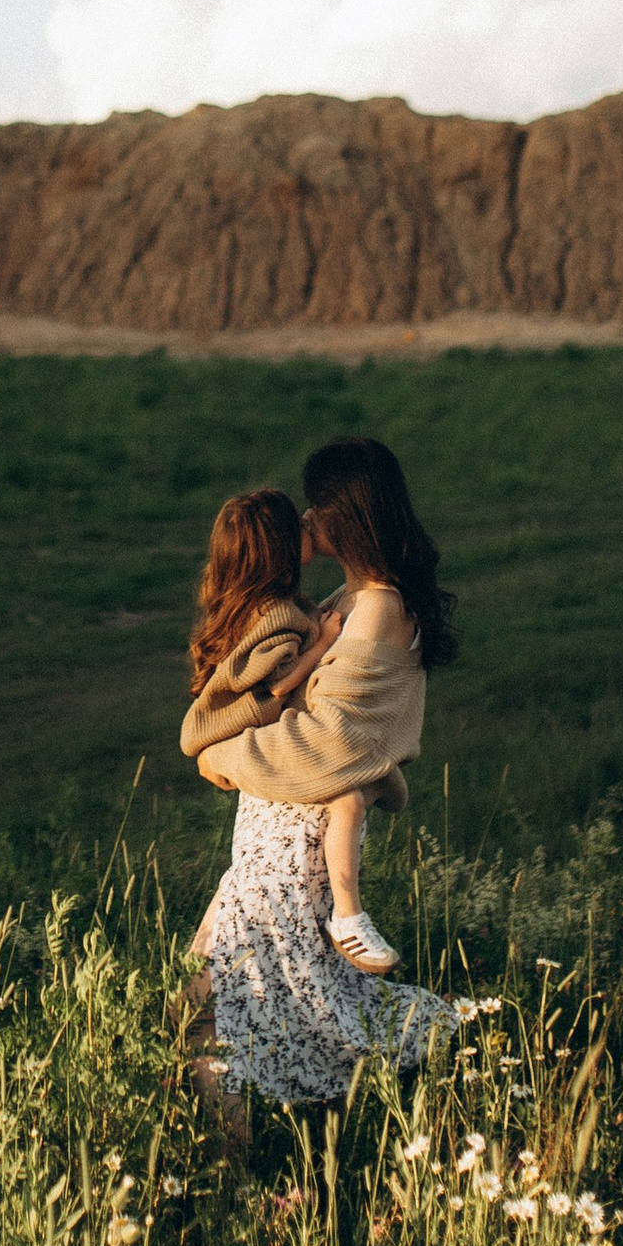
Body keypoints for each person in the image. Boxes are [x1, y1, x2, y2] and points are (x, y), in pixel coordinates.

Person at [181, 440, 459, 1126]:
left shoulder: (379, 609)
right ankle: (269, 1157)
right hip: (273, 838)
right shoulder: (357, 597)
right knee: (209, 1003)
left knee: (215, 1018)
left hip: (291, 846)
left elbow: (332, 745)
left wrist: (224, 757)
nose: (306, 518)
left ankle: (233, 1192)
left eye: (318, 506)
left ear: (346, 517)